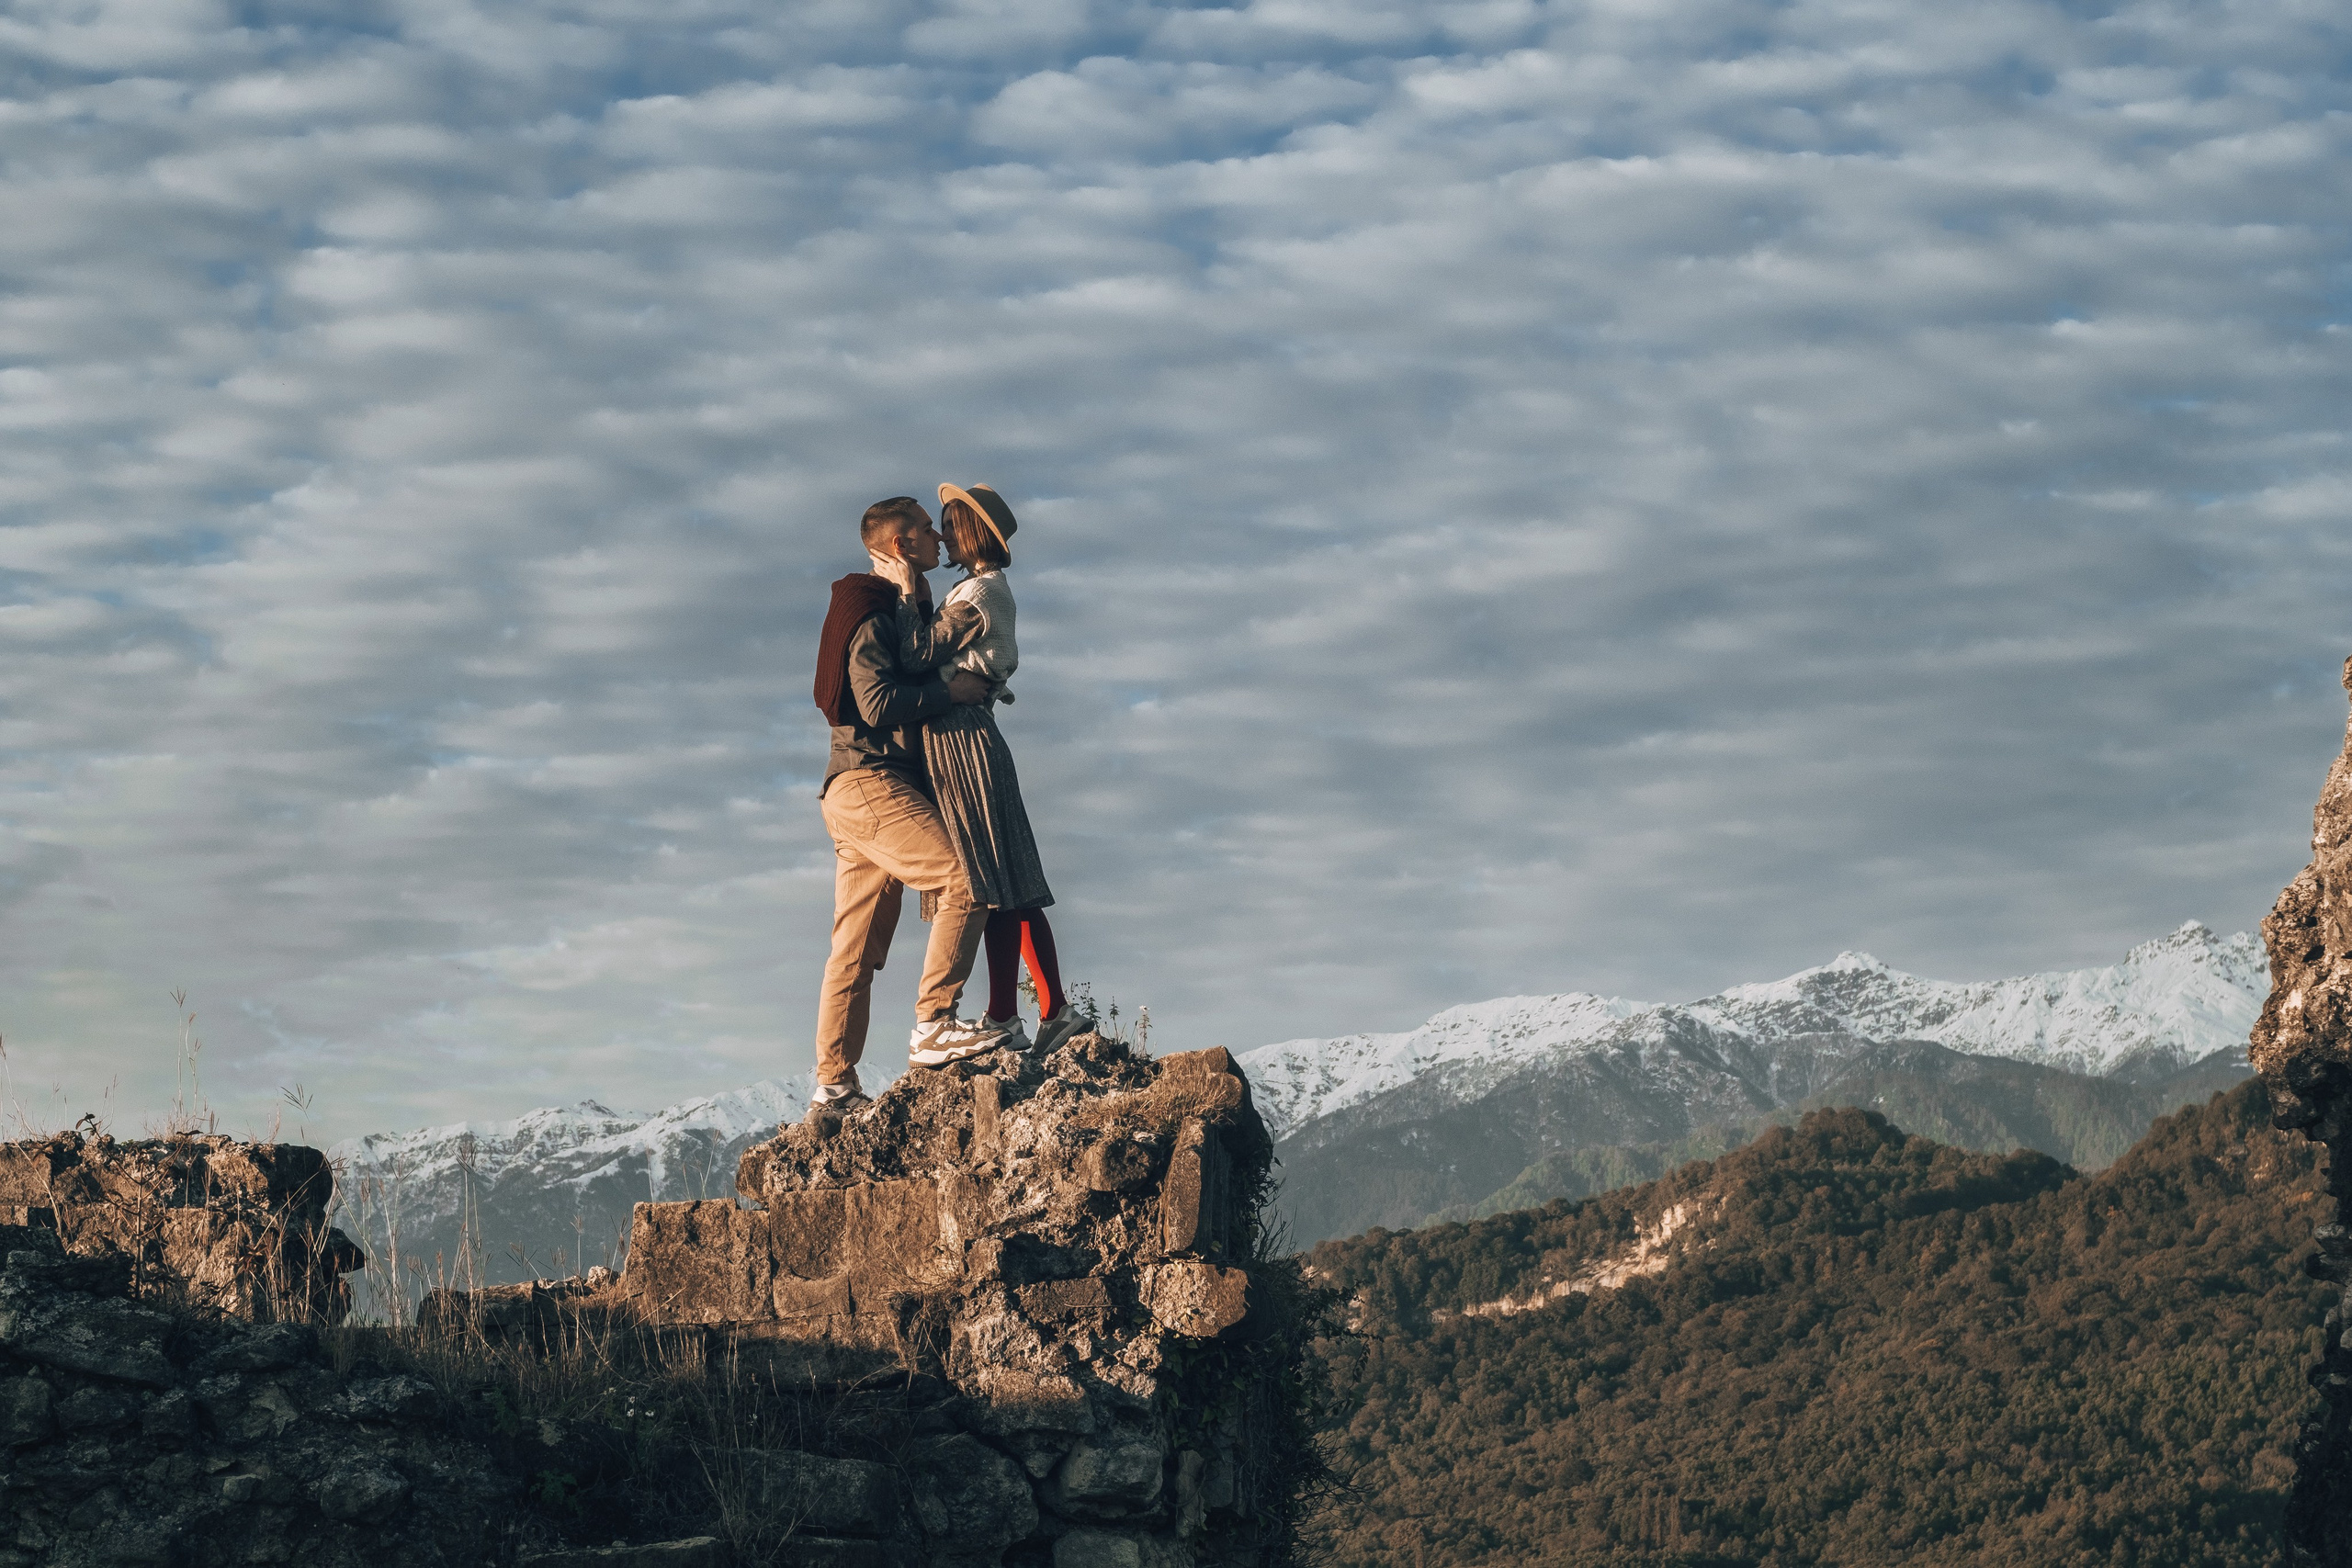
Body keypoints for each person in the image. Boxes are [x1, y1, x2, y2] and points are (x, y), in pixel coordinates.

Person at [869, 483, 1082, 1056]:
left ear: (968, 532)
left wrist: (905, 588)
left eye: (946, 523)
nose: (939, 534)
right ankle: (1041, 1008)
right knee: (1005, 877)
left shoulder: (975, 595)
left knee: (989, 877)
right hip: (968, 735)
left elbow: (916, 655)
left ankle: (1015, 1012)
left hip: (961, 740)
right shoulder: (987, 590)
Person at [807, 496, 1001, 1119]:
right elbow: (874, 701)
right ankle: (934, 1023)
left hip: (852, 792)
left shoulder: (896, 606)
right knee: (964, 877)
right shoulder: (869, 607)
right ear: (897, 543)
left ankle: (833, 1087)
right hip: (871, 784)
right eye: (924, 529)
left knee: (854, 950)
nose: (938, 538)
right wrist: (951, 690)